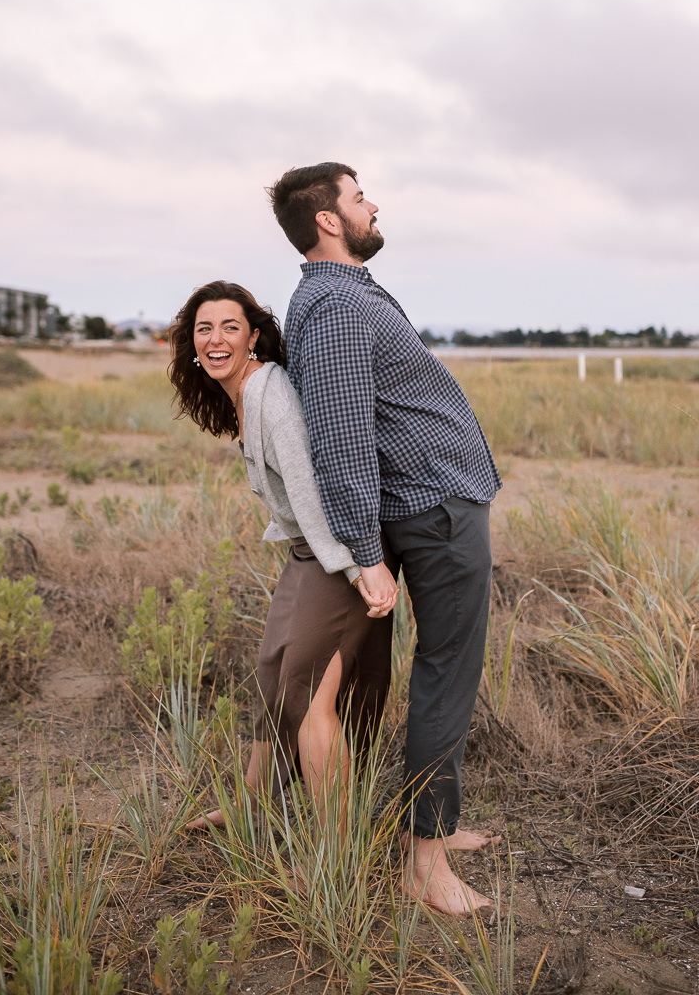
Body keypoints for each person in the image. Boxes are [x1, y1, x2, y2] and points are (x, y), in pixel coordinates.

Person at [267, 164, 502, 916]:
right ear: (329, 220)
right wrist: (369, 556)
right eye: (359, 195)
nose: (374, 205)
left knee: (431, 672)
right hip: (431, 511)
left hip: (430, 505)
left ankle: (428, 824)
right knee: (447, 672)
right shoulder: (335, 304)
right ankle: (424, 858)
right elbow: (340, 438)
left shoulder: (345, 294)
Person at [168, 280, 396, 833]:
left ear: (254, 338)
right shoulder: (245, 397)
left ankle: (335, 847)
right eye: (204, 329)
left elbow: (310, 490)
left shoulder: (271, 394)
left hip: (334, 552)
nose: (215, 339)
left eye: (230, 327)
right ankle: (251, 805)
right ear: (191, 344)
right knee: (272, 674)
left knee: (307, 690)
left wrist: (357, 567)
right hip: (306, 551)